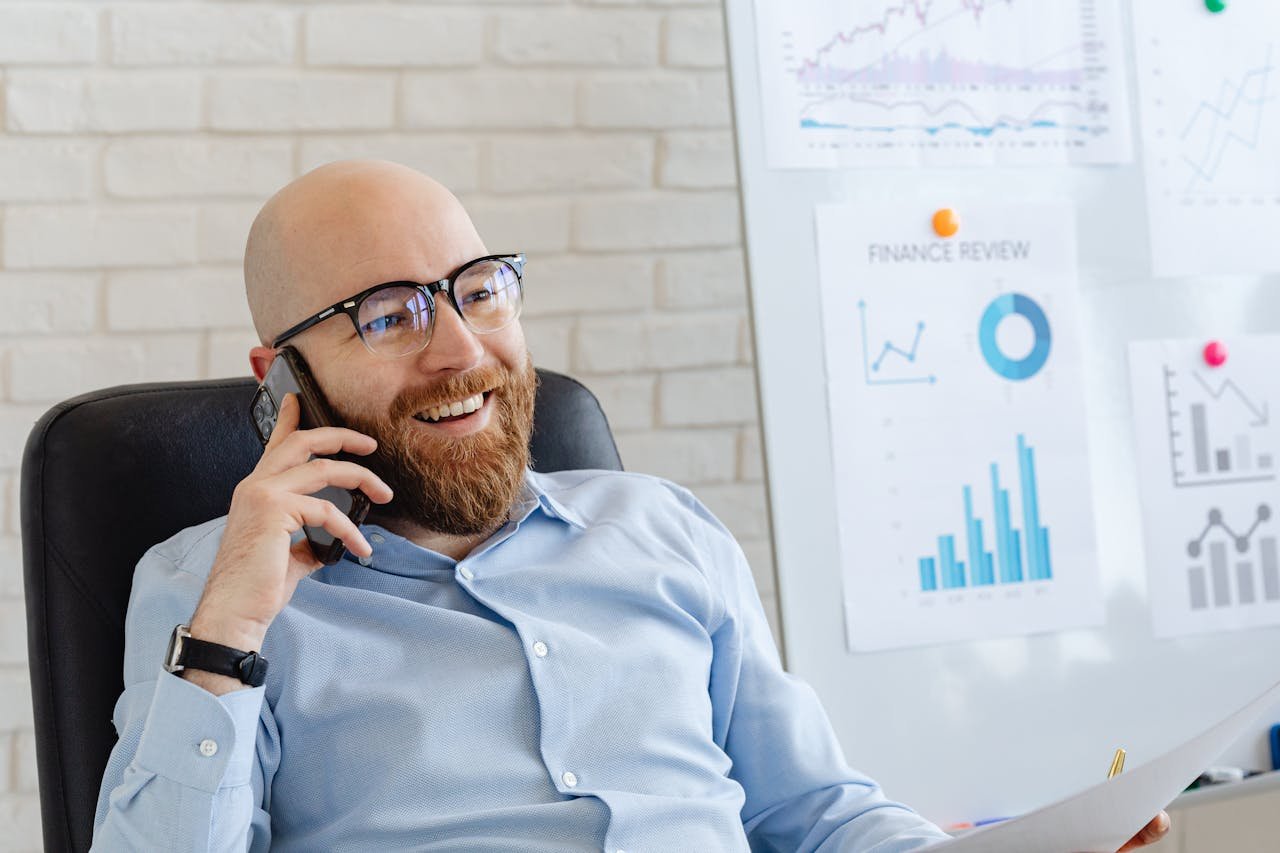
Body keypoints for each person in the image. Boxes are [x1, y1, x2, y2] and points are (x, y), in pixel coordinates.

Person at [92, 160, 1169, 852]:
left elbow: (813, 812)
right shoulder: (209, 594)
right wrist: (228, 632)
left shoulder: (661, 529)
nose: (462, 349)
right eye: (387, 316)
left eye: (478, 289)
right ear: (279, 377)